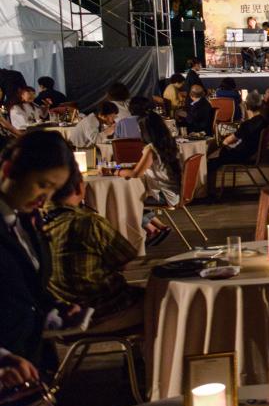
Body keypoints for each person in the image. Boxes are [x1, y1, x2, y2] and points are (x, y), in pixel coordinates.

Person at [0, 130, 74, 380]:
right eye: (42, 184)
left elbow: (27, 287)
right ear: (10, 169)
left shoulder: (24, 220)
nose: (46, 199)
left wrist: (55, 310)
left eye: (54, 190)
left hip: (32, 362)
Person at [43, 161, 140, 316]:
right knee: (163, 300)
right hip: (103, 308)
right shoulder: (89, 223)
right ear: (79, 187)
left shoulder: (34, 223)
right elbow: (125, 260)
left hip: (56, 313)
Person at [128, 111, 182, 244]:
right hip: (175, 192)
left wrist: (117, 172)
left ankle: (151, 229)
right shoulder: (170, 143)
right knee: (133, 198)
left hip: (164, 195)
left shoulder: (151, 148)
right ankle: (160, 227)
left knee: (127, 202)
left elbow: (136, 174)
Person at [207, 90, 269, 190]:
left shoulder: (248, 124)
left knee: (210, 162)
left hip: (242, 155)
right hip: (252, 153)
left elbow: (228, 141)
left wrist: (220, 143)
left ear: (247, 106)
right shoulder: (263, 121)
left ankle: (210, 191)